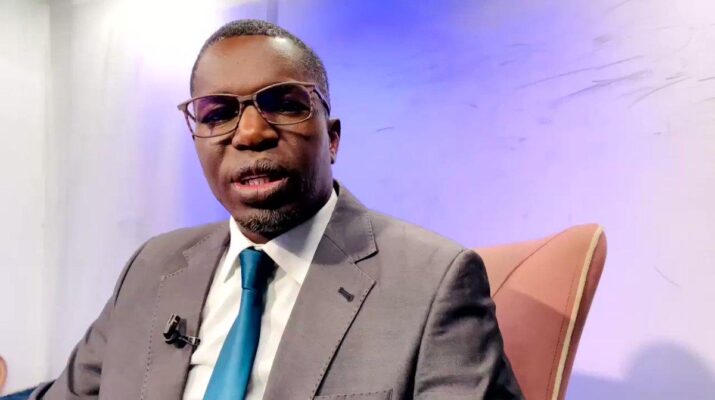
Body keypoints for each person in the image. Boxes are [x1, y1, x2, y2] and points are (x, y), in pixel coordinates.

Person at [31, 19, 523, 399]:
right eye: (218, 114)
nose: (250, 134)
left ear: (332, 138)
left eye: (285, 104)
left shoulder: (433, 281)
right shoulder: (152, 266)